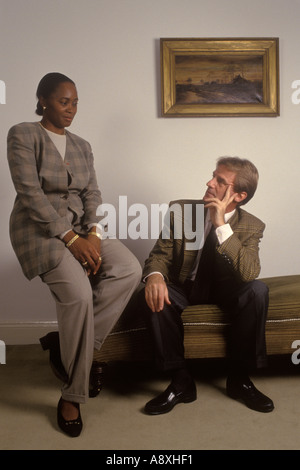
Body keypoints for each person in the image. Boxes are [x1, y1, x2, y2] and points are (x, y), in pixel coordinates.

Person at [7, 72, 142, 437]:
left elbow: (93, 193)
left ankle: (67, 347)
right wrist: (69, 238)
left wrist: (95, 232)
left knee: (129, 268)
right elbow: (30, 194)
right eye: (64, 101)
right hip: (40, 232)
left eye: (76, 102)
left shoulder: (82, 145)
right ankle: (72, 395)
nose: (71, 109)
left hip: (82, 230)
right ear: (43, 100)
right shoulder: (23, 134)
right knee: (79, 294)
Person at [139, 156, 274, 415]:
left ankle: (240, 380)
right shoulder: (180, 211)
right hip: (185, 285)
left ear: (239, 195)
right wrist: (154, 275)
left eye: (220, 181)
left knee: (258, 290)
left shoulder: (252, 226)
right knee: (153, 290)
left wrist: (221, 225)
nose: (209, 182)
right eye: (213, 175)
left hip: (226, 290)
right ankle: (181, 381)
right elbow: (160, 254)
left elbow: (249, 273)